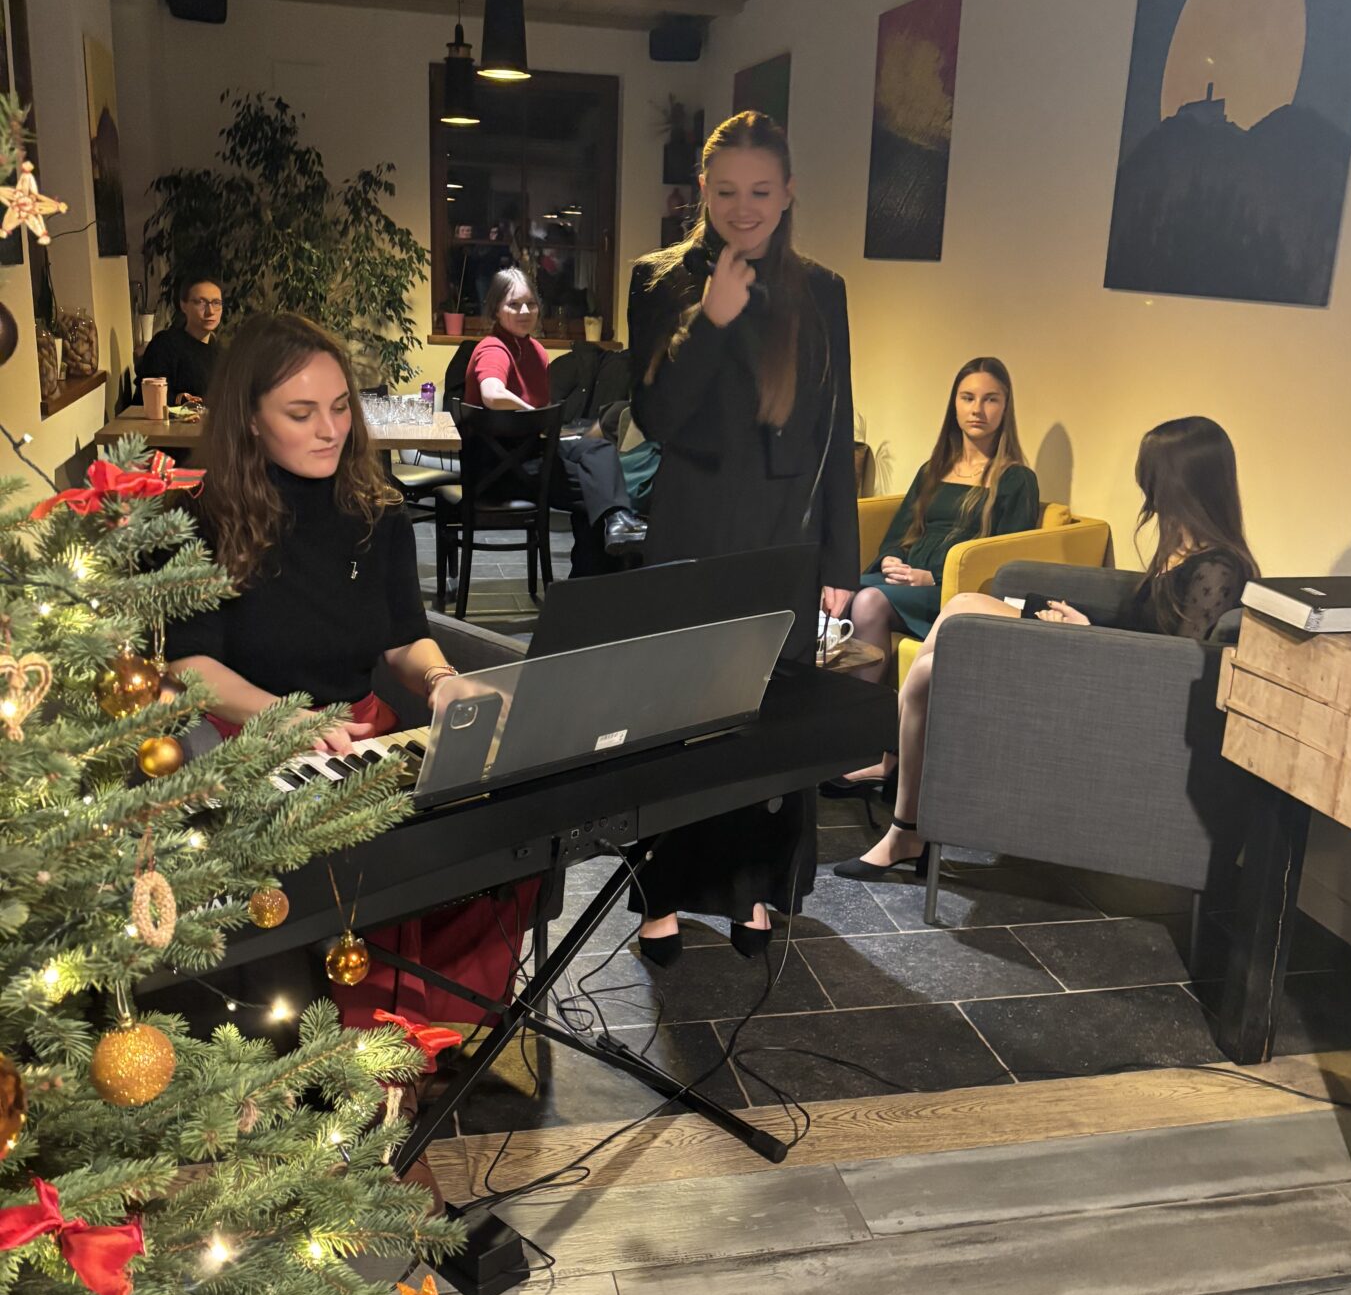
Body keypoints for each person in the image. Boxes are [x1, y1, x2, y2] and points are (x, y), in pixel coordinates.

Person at [166, 315, 537, 1156]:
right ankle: (362, 1063)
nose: (330, 429)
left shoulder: (375, 511)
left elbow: (404, 639)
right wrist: (285, 720)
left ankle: (416, 1038)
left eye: (341, 407)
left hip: (361, 735)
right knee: (366, 857)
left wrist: (441, 681)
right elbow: (191, 667)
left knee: (506, 837)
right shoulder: (202, 519)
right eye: (302, 412)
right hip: (251, 744)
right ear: (249, 417)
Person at [626, 109, 859, 961]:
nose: (743, 207)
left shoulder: (822, 289)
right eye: (725, 191)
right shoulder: (660, 279)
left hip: (780, 541)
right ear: (702, 190)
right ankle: (662, 898)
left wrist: (840, 560)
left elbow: (834, 427)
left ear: (789, 191)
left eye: (760, 190)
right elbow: (655, 417)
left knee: (761, 724)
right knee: (679, 719)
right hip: (691, 529)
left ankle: (749, 889)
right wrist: (711, 320)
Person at [834, 415, 1258, 881]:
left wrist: (1089, 633)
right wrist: (1083, 620)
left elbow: (1177, 670)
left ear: (1181, 483)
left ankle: (901, 809)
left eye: (1152, 476)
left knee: (940, 652)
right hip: (1101, 657)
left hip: (1111, 690)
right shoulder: (1185, 551)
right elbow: (1149, 632)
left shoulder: (1218, 569)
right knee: (951, 624)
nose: (1147, 491)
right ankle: (902, 812)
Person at [833, 358, 1038, 723]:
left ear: (1006, 407)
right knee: (838, 589)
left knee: (869, 601)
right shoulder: (932, 470)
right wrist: (891, 559)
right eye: (967, 398)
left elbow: (1003, 561)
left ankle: (862, 728)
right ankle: (820, 717)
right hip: (905, 580)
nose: (977, 409)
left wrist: (933, 578)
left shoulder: (1016, 479)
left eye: (991, 399)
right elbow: (899, 534)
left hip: (950, 591)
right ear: (954, 405)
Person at [463, 267, 645, 575]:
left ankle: (615, 527)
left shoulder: (535, 351)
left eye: (531, 304)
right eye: (514, 304)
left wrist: (547, 424)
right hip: (498, 469)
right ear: (495, 310)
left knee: (598, 450)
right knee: (599, 492)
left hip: (531, 454)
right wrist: (539, 417)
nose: (525, 311)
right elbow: (492, 394)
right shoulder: (494, 348)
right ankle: (593, 571)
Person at [141, 270, 225, 401]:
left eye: (216, 303)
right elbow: (150, 394)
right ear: (183, 305)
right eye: (201, 302)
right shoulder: (165, 345)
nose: (210, 311)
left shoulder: (220, 352)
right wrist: (180, 399)